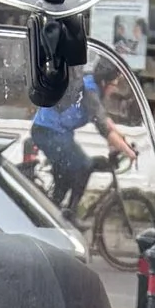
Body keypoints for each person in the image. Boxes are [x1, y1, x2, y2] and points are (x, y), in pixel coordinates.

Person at [24, 63, 134, 214]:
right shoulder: (90, 92)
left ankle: (52, 214)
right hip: (48, 131)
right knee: (84, 165)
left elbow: (105, 120)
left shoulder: (92, 87)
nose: (115, 88)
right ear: (103, 82)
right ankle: (72, 214)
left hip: (58, 133)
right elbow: (104, 128)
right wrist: (129, 152)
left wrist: (123, 142)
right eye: (113, 84)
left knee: (65, 181)